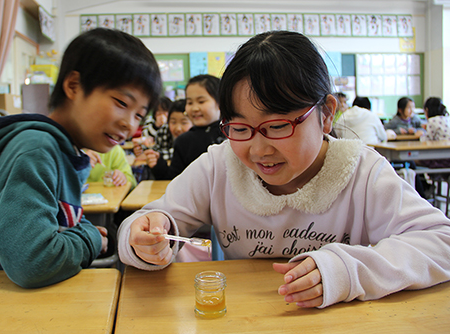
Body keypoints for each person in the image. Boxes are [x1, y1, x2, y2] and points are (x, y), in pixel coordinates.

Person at [117, 31, 450, 309]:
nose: (260, 149)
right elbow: (149, 221)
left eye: (277, 127)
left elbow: (441, 242)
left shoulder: (361, 172)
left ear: (326, 113)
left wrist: (346, 271)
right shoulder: (221, 164)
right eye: (241, 128)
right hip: (245, 318)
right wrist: (143, 237)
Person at [0, 28, 162, 288]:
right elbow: (33, 262)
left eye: (139, 114)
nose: (128, 124)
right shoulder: (37, 150)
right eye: (122, 103)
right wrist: (89, 238)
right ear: (74, 86)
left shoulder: (65, 150)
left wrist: (82, 230)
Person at [148, 74, 226, 180]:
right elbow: (175, 178)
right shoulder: (183, 141)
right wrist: (159, 166)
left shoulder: (232, 134)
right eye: (189, 102)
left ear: (220, 103)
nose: (194, 108)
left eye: (201, 101)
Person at [135, 99, 193, 173]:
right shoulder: (163, 130)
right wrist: (143, 151)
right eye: (173, 122)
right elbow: (156, 149)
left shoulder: (194, 137)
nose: (178, 128)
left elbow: (180, 155)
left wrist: (157, 156)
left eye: (184, 123)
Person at [418, 97, 450, 168]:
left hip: (441, 158)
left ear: (427, 110)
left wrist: (421, 135)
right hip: (448, 156)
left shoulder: (432, 120)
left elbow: (427, 141)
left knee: (414, 159)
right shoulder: (447, 119)